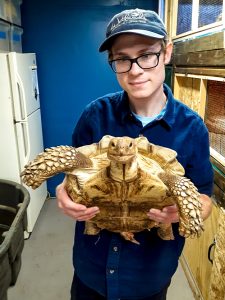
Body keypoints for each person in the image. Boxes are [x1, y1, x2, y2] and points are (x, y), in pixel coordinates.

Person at [56, 8, 214, 300]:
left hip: (149, 275)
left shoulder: (192, 129)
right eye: (122, 59)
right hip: (91, 269)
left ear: (166, 53)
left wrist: (187, 213)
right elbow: (72, 173)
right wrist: (63, 192)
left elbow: (204, 197)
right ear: (112, 61)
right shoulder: (95, 116)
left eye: (146, 54)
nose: (135, 69)